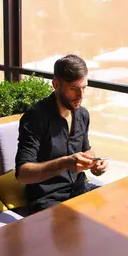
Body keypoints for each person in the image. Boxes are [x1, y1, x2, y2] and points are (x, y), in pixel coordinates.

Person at [15, 54, 108, 214]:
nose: (81, 96)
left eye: (84, 87)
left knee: (116, 208)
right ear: (56, 84)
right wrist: (64, 163)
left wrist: (93, 162)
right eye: (73, 89)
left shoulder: (82, 114)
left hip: (80, 189)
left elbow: (87, 149)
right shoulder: (36, 117)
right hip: (48, 199)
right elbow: (22, 174)